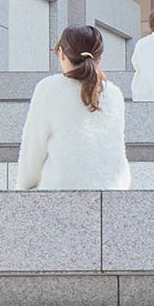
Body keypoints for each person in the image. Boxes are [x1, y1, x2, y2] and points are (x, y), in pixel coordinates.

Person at [14, 25, 131, 190]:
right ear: (100, 58)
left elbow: (33, 149)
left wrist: (23, 188)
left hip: (61, 190)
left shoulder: (48, 88)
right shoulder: (113, 94)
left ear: (62, 54)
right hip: (113, 188)